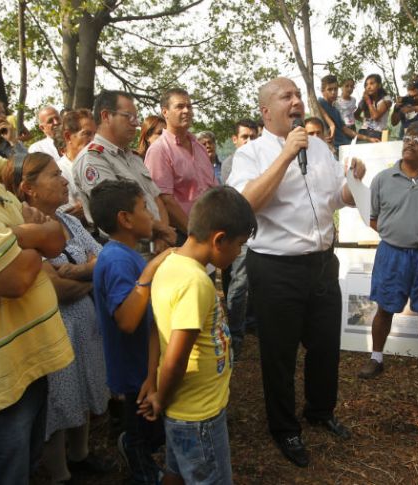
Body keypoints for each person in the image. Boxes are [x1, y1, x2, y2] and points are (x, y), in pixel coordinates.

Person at [227, 77, 366, 468]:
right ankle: (284, 427)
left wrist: (352, 180)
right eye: (286, 97)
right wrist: (286, 155)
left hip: (322, 263)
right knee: (279, 353)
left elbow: (335, 198)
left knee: (324, 346)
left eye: (298, 96)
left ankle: (320, 411)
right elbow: (245, 204)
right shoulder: (250, 155)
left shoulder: (320, 147)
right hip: (275, 268)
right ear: (266, 111)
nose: (296, 103)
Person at [0, 67, 74, 485]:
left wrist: (24, 235)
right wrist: (34, 233)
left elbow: (56, 238)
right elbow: (15, 277)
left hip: (24, 374)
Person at [1, 152, 113, 484]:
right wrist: (90, 274)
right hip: (54, 328)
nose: (65, 180)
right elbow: (53, 289)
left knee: (84, 391)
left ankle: (80, 456)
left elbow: (103, 259)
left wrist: (79, 271)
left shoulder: (69, 221)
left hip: (85, 324)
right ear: (29, 189)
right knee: (60, 401)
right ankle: (60, 474)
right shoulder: (24, 233)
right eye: (54, 175)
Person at [143, 186, 257, 485]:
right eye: (240, 245)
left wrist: (155, 386)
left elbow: (156, 326)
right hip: (198, 416)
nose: (239, 252)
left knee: (176, 471)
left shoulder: (171, 264)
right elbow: (176, 360)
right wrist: (160, 397)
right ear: (219, 240)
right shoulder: (196, 282)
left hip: (185, 410)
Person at [356, 121, 418, 381]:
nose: (410, 142)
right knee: (384, 308)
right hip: (391, 254)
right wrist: (393, 232)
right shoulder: (383, 179)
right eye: (408, 137)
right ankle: (376, 357)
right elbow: (372, 216)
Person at [91, 179, 173, 485]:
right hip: (133, 370)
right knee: (141, 432)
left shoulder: (125, 254)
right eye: (143, 208)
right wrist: (151, 273)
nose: (151, 215)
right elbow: (126, 320)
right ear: (125, 219)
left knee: (152, 429)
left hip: (142, 363)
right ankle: (141, 468)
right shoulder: (115, 260)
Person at [72, 90, 176, 258]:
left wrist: (162, 237)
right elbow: (119, 210)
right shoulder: (92, 159)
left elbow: (157, 199)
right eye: (128, 116)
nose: (135, 124)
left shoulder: (133, 157)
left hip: (156, 248)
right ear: (106, 116)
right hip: (127, 254)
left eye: (136, 118)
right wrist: (162, 230)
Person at [145, 88, 219, 245]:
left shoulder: (199, 147)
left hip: (210, 231)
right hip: (184, 236)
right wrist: (195, 234)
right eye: (179, 106)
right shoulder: (159, 150)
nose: (186, 110)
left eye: (189, 106)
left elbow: (212, 188)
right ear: (165, 112)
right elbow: (165, 201)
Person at [219, 119, 260, 356]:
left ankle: (250, 322)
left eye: (253, 137)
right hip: (238, 231)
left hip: (259, 231)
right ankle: (235, 334)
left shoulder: (264, 160)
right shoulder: (230, 163)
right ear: (235, 140)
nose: (249, 141)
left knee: (251, 279)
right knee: (239, 283)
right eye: (245, 137)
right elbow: (238, 198)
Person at [318, 74, 378, 157]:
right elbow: (317, 104)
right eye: (330, 89)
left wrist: (368, 138)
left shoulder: (336, 110)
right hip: (336, 149)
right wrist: (331, 125)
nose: (333, 92)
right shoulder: (320, 103)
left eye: (335, 89)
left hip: (346, 145)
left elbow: (346, 130)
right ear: (323, 91)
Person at [54, 108, 96, 224]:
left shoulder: (101, 164)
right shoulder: (59, 171)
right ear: (68, 137)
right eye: (87, 134)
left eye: (95, 134)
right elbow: (68, 215)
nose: (93, 140)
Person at [0, 94, 28, 159]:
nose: (3, 116)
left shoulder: (10, 142)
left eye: (3, 113)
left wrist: (13, 141)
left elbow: (28, 164)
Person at [354, 73, 392, 140]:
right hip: (363, 132)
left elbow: (376, 116)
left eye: (372, 83)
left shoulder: (386, 99)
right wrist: (365, 120)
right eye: (366, 85)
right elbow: (356, 115)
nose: (368, 87)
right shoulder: (364, 100)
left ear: (379, 85)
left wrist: (368, 101)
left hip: (377, 133)